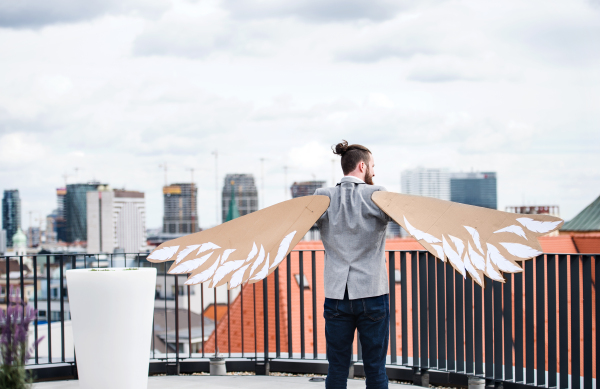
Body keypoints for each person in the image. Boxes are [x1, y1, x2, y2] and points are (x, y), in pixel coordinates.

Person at [314, 140, 391, 389]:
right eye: (372, 166)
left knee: (336, 369)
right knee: (375, 370)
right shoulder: (377, 195)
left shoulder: (323, 197)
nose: (374, 172)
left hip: (337, 294)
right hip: (372, 292)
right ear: (362, 166)